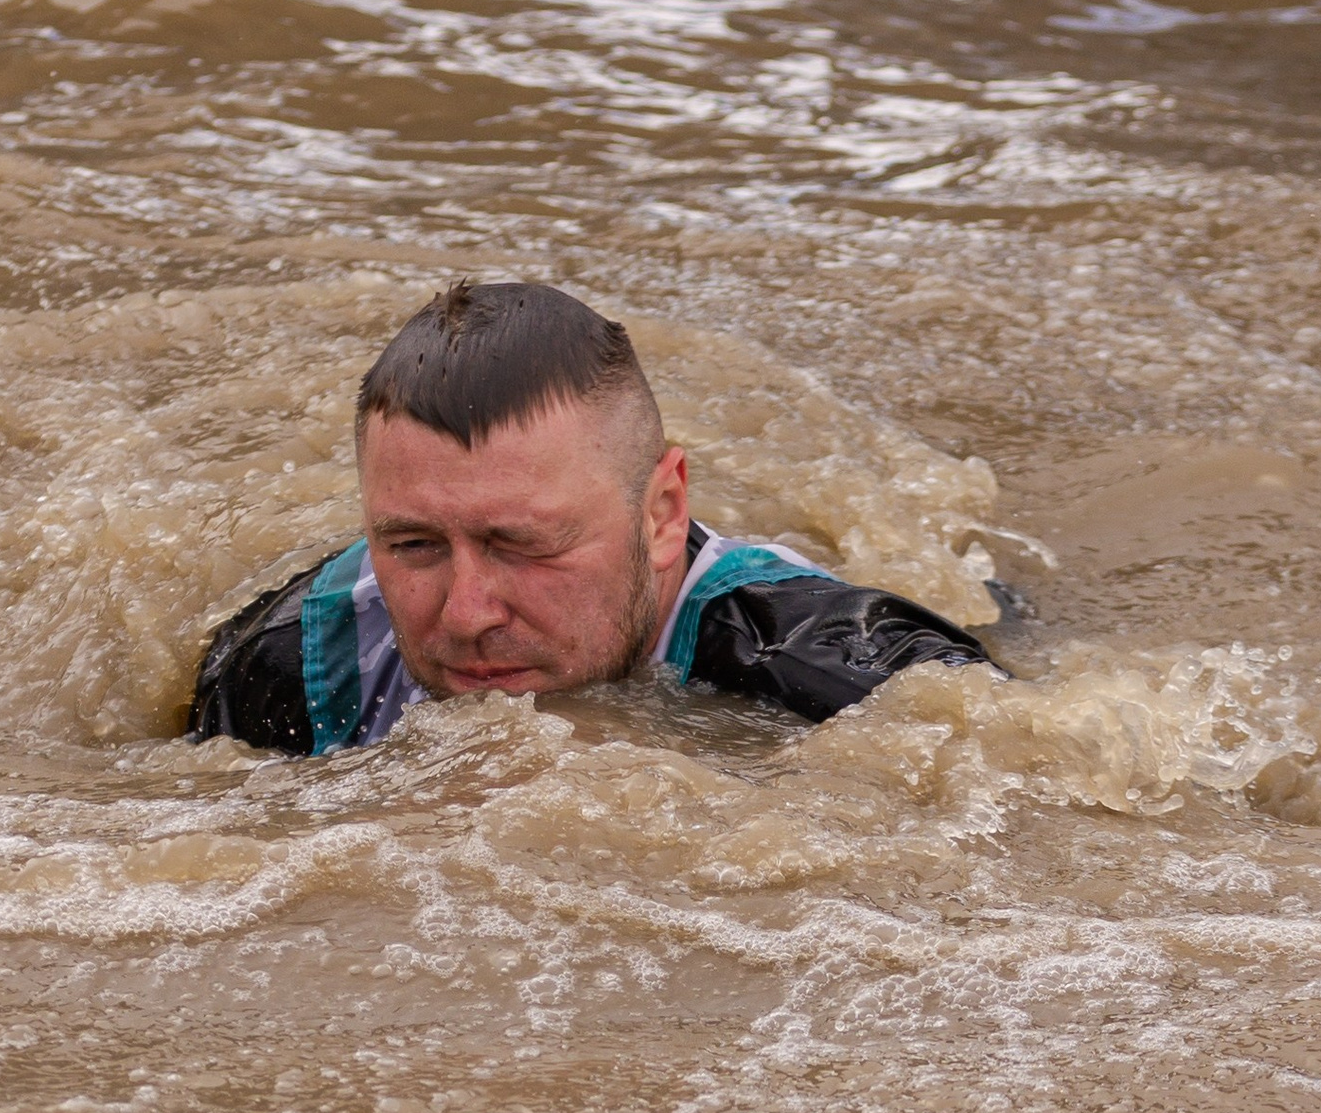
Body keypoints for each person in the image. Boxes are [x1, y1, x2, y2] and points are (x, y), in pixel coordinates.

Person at [187, 277, 995, 756]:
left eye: (522, 544)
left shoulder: (842, 678)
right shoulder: (289, 670)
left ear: (662, 513)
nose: (466, 613)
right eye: (415, 545)